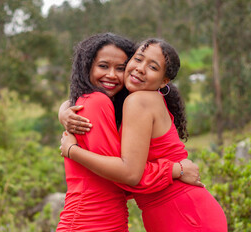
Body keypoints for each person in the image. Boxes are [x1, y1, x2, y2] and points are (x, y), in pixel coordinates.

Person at [60, 38, 227, 231]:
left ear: (165, 81)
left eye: (153, 67)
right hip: (178, 211)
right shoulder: (136, 101)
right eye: (138, 59)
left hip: (183, 212)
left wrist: (72, 150)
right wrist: (64, 111)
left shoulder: (139, 101)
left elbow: (130, 174)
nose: (140, 69)